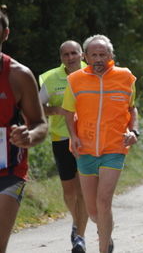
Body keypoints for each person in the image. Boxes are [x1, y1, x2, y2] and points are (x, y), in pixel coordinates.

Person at [62, 34, 139, 253]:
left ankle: (103, 248)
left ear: (111, 55)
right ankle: (105, 232)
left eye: (102, 54)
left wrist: (134, 131)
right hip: (84, 148)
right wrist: (73, 136)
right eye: (93, 54)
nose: (98, 59)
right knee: (93, 211)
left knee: (104, 201)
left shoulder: (125, 77)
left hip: (114, 147)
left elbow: (132, 109)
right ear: (85, 56)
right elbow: (68, 112)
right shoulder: (75, 79)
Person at [0, 5, 47, 253]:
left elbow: (40, 123)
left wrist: (29, 136)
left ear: (5, 33)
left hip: (9, 170)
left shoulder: (19, 75)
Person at [38, 40, 89, 252]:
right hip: (61, 139)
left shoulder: (93, 74)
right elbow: (38, 107)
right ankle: (76, 221)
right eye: (66, 54)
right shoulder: (50, 78)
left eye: (74, 53)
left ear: (82, 55)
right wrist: (58, 110)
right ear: (61, 58)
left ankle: (80, 235)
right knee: (70, 192)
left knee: (83, 189)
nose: (70, 58)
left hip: (87, 138)